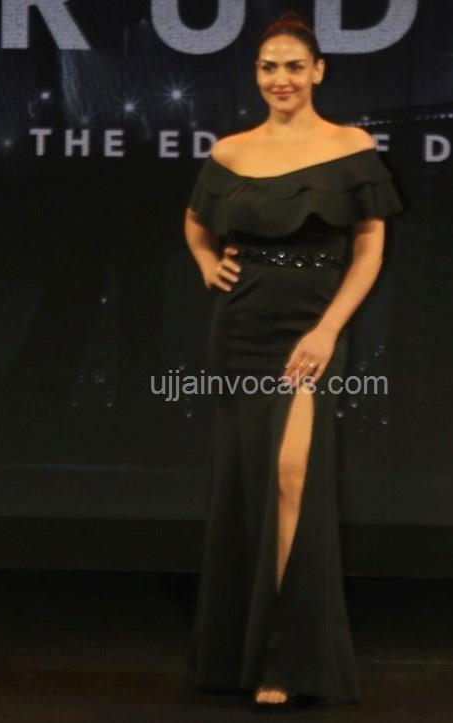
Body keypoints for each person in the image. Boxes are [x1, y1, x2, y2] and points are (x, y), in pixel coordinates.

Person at [183, 10, 404, 710]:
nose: (280, 78)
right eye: (268, 67)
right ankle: (240, 653)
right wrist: (207, 264)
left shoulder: (350, 145)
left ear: (318, 72)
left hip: (312, 329)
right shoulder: (231, 151)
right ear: (258, 74)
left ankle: (284, 652)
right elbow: (195, 222)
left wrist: (328, 330)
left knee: (291, 475)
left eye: (293, 66)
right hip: (240, 329)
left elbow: (369, 247)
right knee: (245, 484)